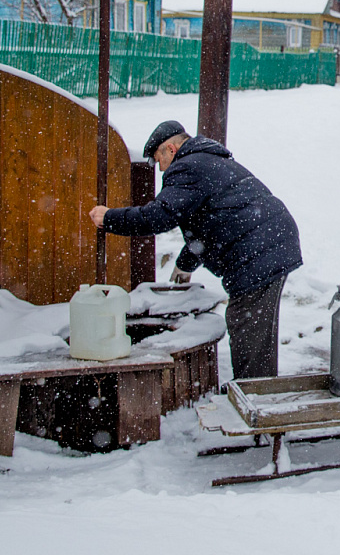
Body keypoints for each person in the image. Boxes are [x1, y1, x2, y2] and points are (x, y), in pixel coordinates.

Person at [89, 120, 302, 380]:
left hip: (258, 249)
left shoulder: (187, 167)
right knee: (255, 327)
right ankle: (257, 390)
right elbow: (207, 226)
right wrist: (185, 265)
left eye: (159, 160)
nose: (161, 169)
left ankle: (254, 395)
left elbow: (159, 216)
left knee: (246, 323)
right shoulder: (205, 160)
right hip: (270, 241)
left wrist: (109, 217)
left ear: (171, 148)